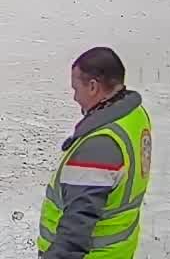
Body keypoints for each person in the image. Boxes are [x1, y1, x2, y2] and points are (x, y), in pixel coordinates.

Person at [39, 47, 151, 259]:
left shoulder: (100, 146)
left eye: (76, 88)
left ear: (93, 87)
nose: (74, 97)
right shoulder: (134, 117)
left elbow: (76, 229)